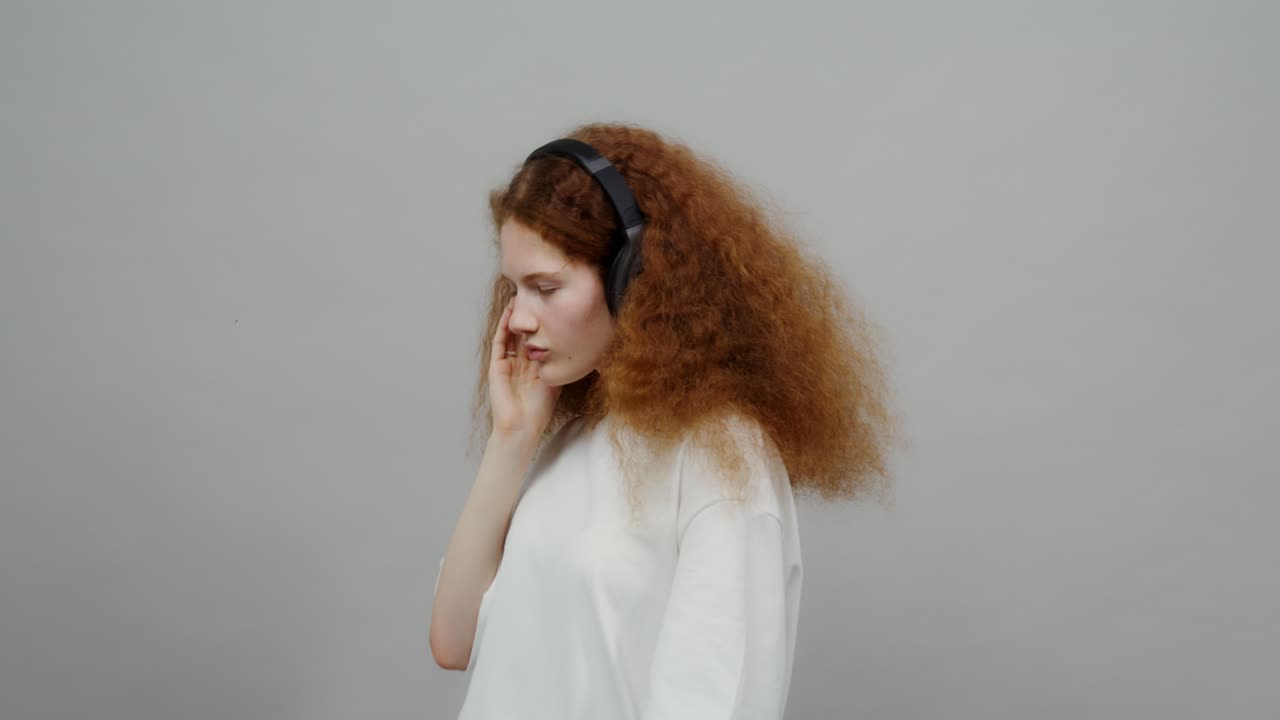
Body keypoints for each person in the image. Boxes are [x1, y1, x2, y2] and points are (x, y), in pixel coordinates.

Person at [430, 122, 900, 719]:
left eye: (545, 287)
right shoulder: (568, 442)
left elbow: (713, 700)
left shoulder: (722, 458)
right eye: (515, 288)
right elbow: (453, 642)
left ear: (633, 279)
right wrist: (511, 438)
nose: (517, 318)